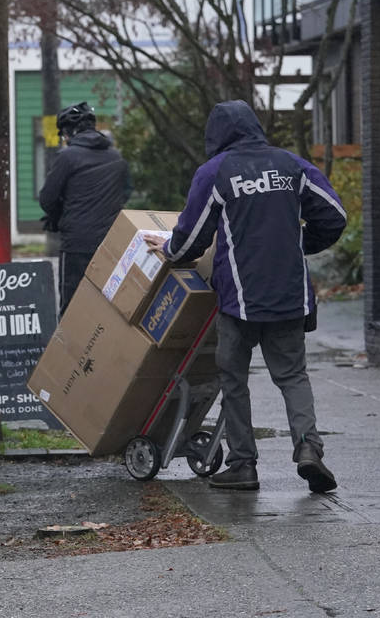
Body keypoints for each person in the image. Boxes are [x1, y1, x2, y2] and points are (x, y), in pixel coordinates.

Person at [145, 100, 347, 493]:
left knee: (234, 378)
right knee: (292, 376)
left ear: (216, 134)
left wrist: (167, 249)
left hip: (240, 299)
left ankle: (243, 464)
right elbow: (334, 215)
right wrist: (299, 245)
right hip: (289, 294)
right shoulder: (292, 166)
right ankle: (309, 450)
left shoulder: (216, 172)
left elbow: (192, 239)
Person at [39, 102, 131, 314]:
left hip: (76, 245)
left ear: (69, 132)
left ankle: (71, 348)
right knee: (105, 306)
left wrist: (59, 216)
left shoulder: (67, 157)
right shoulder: (116, 157)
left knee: (72, 309)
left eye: (63, 135)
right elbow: (125, 192)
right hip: (110, 243)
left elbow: (47, 198)